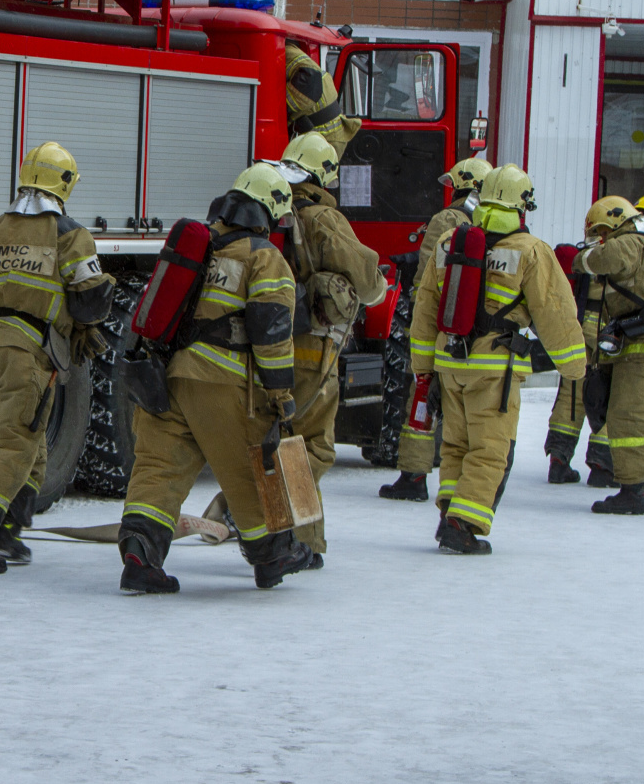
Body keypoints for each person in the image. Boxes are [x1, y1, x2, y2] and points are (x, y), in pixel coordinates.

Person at [116, 164, 310, 594]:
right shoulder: (264, 257)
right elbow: (272, 333)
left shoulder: (196, 247)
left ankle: (139, 555)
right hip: (224, 383)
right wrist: (280, 395)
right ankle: (273, 556)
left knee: (158, 470)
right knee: (251, 469)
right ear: (271, 211)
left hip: (167, 379)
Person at [0, 141, 115, 573]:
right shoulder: (68, 233)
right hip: (28, 353)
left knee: (27, 443)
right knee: (11, 442)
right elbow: (91, 301)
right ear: (65, 183)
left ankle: (7, 530)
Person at [407, 165, 586, 554]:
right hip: (494, 368)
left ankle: (448, 512)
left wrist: (424, 371)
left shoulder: (449, 242)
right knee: (491, 449)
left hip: (449, 361)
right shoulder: (530, 250)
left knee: (455, 444)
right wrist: (574, 367)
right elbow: (556, 312)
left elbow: (425, 309)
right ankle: (462, 523)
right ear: (523, 204)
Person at [276, 132, 388, 559]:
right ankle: (290, 538)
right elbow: (368, 281)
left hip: (271, 345)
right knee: (309, 448)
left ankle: (300, 541)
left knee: (284, 440)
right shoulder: (322, 217)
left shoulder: (272, 207)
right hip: (312, 349)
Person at [381, 155, 492, 502]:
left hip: (440, 323)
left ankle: (413, 476)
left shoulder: (447, 218)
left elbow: (428, 272)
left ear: (462, 185)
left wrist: (417, 312)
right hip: (476, 330)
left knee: (422, 391)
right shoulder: (492, 225)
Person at [579, 196, 644, 515]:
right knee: (641, 416)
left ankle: (633, 491)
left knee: (626, 415)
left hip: (642, 347)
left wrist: (578, 257)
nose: (601, 239)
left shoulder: (631, 241)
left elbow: (600, 260)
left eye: (603, 232)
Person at [543, 220, 598, 484]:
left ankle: (558, 459)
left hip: (575, 333)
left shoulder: (580, 258)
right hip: (606, 339)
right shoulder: (615, 257)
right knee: (607, 398)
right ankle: (602, 466)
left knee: (570, 396)